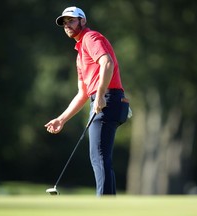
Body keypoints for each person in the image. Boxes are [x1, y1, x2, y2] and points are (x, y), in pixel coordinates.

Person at [45, 6, 130, 196]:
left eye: (71, 21)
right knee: (101, 158)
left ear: (83, 21)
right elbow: (82, 93)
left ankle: (105, 205)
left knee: (98, 157)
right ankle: (110, 203)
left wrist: (99, 95)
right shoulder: (80, 53)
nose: (67, 25)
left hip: (107, 99)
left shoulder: (90, 38)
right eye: (64, 23)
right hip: (109, 100)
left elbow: (107, 63)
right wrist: (62, 119)